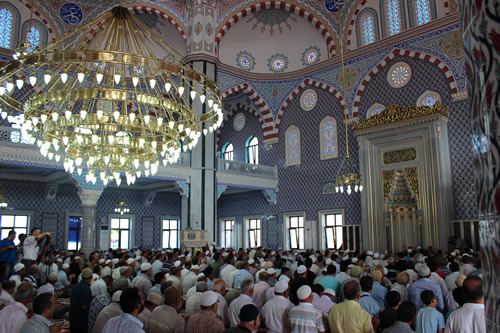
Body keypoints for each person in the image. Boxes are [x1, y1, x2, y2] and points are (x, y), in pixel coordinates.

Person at [69, 268, 93, 333]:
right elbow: (84, 306)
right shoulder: (86, 288)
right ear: (91, 277)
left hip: (72, 316)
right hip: (80, 319)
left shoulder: (77, 286)